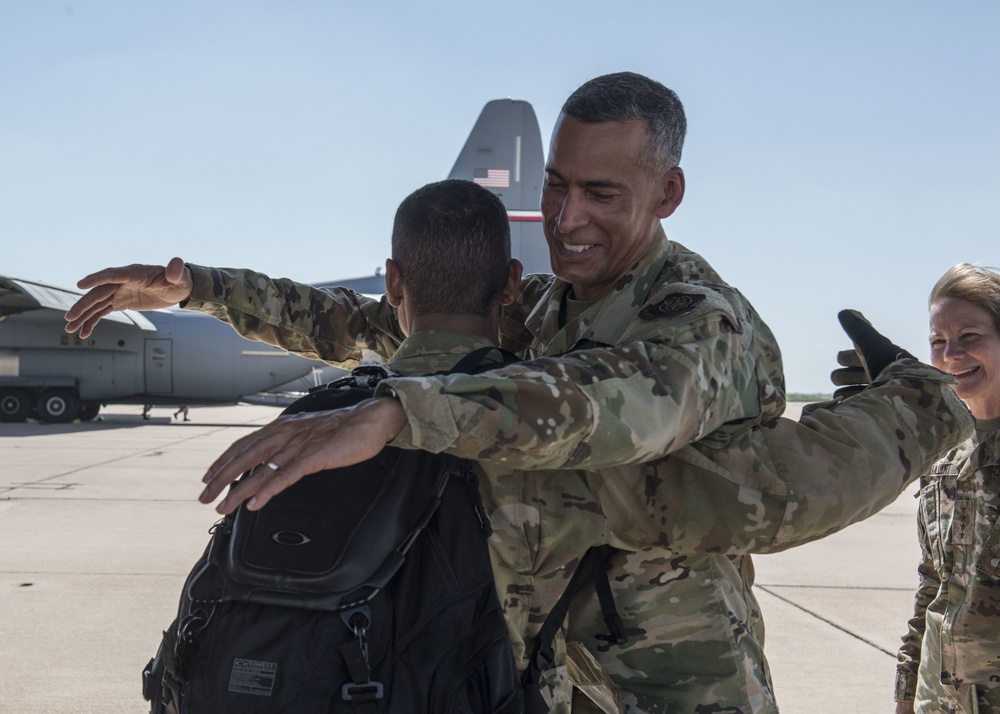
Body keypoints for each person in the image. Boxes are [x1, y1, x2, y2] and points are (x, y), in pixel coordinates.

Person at [63, 74, 970, 712]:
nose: (567, 220)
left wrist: (399, 413)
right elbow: (367, 323)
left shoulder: (698, 322)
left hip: (679, 681)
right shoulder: (539, 309)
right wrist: (201, 289)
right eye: (558, 186)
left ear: (669, 192)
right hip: (552, 669)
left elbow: (618, 406)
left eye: (602, 194)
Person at [894, 264, 1000, 714]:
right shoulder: (945, 452)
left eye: (970, 335)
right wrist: (905, 694)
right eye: (938, 341)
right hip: (939, 701)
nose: (951, 354)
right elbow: (933, 585)